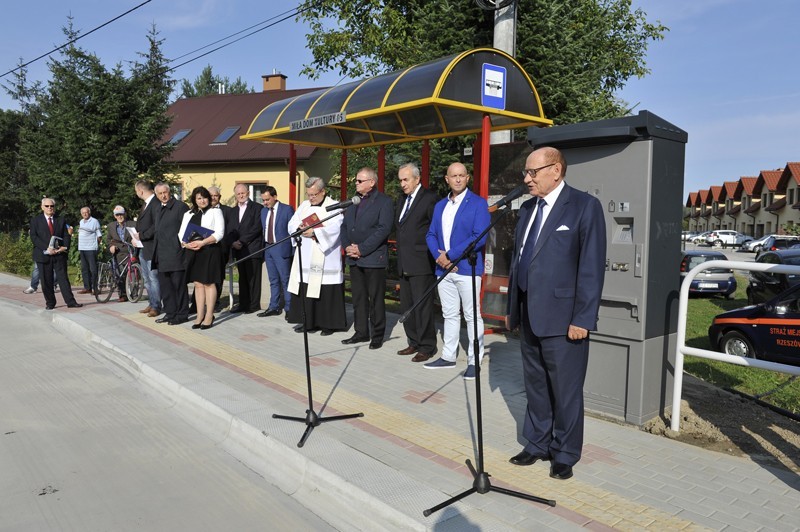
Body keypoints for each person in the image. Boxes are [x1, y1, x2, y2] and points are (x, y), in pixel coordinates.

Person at [505, 146, 606, 481]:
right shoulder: (527, 210)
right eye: (526, 172)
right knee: (535, 385)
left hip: (565, 319)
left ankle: (564, 453)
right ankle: (537, 443)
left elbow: (591, 269)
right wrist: (512, 310)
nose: (526, 178)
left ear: (556, 170)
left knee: (565, 390)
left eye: (533, 172)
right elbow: (519, 261)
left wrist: (583, 318)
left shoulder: (583, 206)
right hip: (529, 315)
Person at [424, 162, 489, 380]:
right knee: (449, 314)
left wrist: (450, 256)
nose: (458, 179)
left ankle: (474, 360)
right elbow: (431, 234)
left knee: (472, 316)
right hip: (443, 270)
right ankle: (448, 356)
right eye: (454, 176)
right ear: (447, 179)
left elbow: (479, 236)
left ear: (468, 178)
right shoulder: (440, 205)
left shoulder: (478, 204)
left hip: (467, 269)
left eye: (462, 175)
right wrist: (439, 258)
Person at [286, 177, 347, 335]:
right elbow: (292, 223)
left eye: (314, 194)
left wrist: (315, 232)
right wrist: (299, 227)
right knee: (306, 287)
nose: (311, 198)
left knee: (326, 291)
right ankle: (308, 322)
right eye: (308, 194)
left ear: (323, 191)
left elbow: (336, 228)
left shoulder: (333, 206)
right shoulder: (304, 206)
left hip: (325, 256)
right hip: (306, 255)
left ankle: (328, 325)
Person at [340, 167, 394, 350]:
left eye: (360, 181)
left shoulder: (384, 202)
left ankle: (377, 335)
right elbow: (344, 226)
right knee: (358, 298)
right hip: (354, 258)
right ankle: (361, 332)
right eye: (356, 180)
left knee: (376, 299)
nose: (356, 183)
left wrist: (361, 249)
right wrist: (347, 246)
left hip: (373, 258)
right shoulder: (353, 202)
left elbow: (383, 229)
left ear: (372, 182)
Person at [394, 163, 438, 362]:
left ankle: (427, 346)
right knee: (407, 306)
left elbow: (434, 229)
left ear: (417, 179)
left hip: (422, 262)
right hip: (404, 262)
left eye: (406, 179)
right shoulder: (402, 199)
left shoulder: (429, 198)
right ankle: (413, 342)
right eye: (400, 180)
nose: (402, 184)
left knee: (422, 307)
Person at [179, 186, 225, 330]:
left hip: (209, 250)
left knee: (209, 283)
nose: (202, 200)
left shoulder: (216, 212)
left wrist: (203, 242)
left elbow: (220, 233)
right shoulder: (188, 214)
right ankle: (200, 315)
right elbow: (181, 233)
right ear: (194, 199)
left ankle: (209, 315)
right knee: (198, 284)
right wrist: (185, 244)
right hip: (193, 252)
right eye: (199, 198)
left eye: (205, 197)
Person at [29, 197, 82, 310]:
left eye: (51, 206)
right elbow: (34, 237)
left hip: (59, 254)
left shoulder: (60, 219)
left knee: (63, 279)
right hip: (44, 254)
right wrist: (47, 248)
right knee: (46, 281)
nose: (49, 208)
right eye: (47, 206)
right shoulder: (35, 220)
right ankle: (50, 303)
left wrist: (65, 246)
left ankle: (71, 302)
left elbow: (66, 235)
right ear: (42, 207)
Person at [153, 183, 190, 325]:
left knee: (179, 286)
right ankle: (170, 312)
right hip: (161, 255)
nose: (163, 195)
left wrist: (181, 246)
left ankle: (181, 314)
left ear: (170, 192)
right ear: (156, 195)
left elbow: (187, 229)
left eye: (165, 192)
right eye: (160, 193)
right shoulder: (158, 208)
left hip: (176, 254)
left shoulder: (180, 207)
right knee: (166, 287)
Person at [225, 183, 264, 314]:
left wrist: (241, 241)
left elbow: (257, 228)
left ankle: (253, 305)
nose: (241, 195)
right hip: (238, 249)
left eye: (243, 193)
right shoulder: (233, 211)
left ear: (248, 193)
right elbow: (229, 229)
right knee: (242, 278)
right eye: (238, 194)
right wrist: (232, 242)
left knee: (253, 278)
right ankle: (243, 303)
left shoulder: (257, 208)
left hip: (252, 248)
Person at [258, 186, 294, 318]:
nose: (265, 202)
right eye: (263, 200)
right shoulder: (263, 211)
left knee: (285, 279)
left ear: (275, 197)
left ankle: (289, 308)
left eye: (267, 199)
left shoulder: (287, 209)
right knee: (273, 279)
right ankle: (274, 306)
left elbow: (292, 230)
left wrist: (292, 250)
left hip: (281, 248)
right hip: (268, 247)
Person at [134, 180, 162, 317]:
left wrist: (142, 235)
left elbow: (156, 226)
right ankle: (151, 303)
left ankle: (157, 306)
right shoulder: (145, 204)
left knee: (153, 277)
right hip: (142, 247)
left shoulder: (155, 203)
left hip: (151, 246)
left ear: (140, 191)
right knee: (146, 278)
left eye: (136, 191)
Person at [209, 186, 232, 309]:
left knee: (218, 276)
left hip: (221, 249)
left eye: (215, 195)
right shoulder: (202, 210)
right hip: (204, 249)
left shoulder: (227, 211)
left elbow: (230, 230)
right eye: (211, 195)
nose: (213, 198)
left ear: (219, 197)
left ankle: (216, 302)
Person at [107, 205, 135, 302]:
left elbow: (137, 235)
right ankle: (122, 294)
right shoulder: (111, 226)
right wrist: (111, 246)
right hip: (118, 252)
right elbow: (108, 240)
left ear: (125, 214)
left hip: (130, 251)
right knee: (119, 274)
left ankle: (133, 293)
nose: (119, 216)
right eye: (117, 215)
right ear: (114, 216)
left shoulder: (132, 224)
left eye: (121, 214)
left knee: (131, 272)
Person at [77, 206, 102, 294]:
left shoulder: (94, 221)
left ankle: (95, 289)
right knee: (84, 269)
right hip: (82, 248)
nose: (84, 214)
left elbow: (99, 235)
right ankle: (87, 287)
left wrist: (95, 245)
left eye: (86, 212)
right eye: (83, 212)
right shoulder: (81, 221)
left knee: (93, 269)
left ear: (89, 212)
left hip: (91, 248)